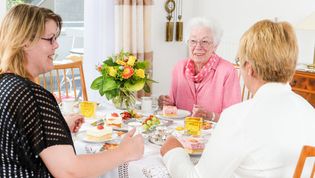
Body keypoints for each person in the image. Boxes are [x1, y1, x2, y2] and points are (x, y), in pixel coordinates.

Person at [0, 4, 143, 177]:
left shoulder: (5, 84)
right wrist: (124, 152)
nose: (56, 45)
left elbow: (16, 141)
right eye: (50, 38)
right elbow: (70, 172)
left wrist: (57, 127)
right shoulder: (32, 95)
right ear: (25, 41)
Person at [160, 19, 315, 177]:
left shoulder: (238, 117)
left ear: (249, 69)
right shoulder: (310, 113)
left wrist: (173, 151)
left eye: (239, 61)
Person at [158, 17, 241, 122]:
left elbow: (233, 117)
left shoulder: (227, 71)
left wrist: (210, 116)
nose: (198, 46)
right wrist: (165, 103)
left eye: (205, 41)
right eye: (193, 41)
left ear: (215, 45)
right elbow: (172, 107)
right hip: (181, 131)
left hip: (212, 134)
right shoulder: (179, 68)